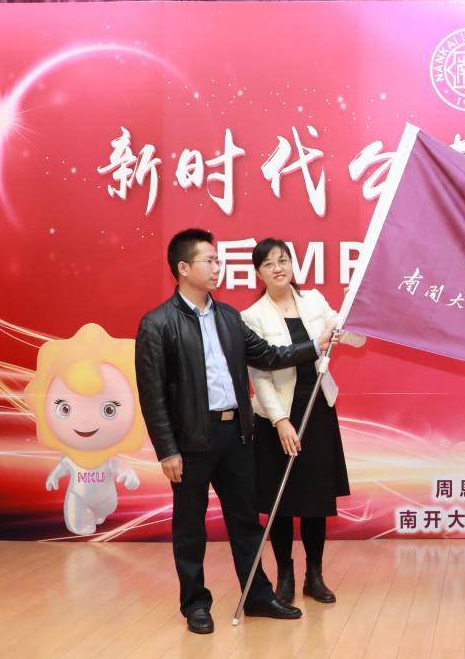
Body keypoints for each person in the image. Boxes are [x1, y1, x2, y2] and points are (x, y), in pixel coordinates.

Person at [134, 228, 337, 634]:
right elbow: (152, 395)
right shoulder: (157, 324)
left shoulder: (228, 317)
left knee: (246, 522)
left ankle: (258, 596)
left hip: (237, 437)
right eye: (209, 260)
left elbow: (268, 355)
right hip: (191, 441)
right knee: (190, 527)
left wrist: (314, 347)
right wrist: (167, 450)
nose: (217, 267)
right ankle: (195, 604)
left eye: (217, 260)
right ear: (183, 268)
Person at [240, 238, 365, 607]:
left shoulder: (314, 301)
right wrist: (279, 420)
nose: (278, 268)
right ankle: (285, 575)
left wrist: (357, 307)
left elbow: (355, 339)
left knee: (314, 498)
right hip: (277, 418)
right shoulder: (253, 315)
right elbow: (259, 375)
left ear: (292, 264)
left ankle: (315, 575)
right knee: (279, 502)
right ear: (259, 273)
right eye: (268, 264)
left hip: (317, 409)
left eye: (283, 260)